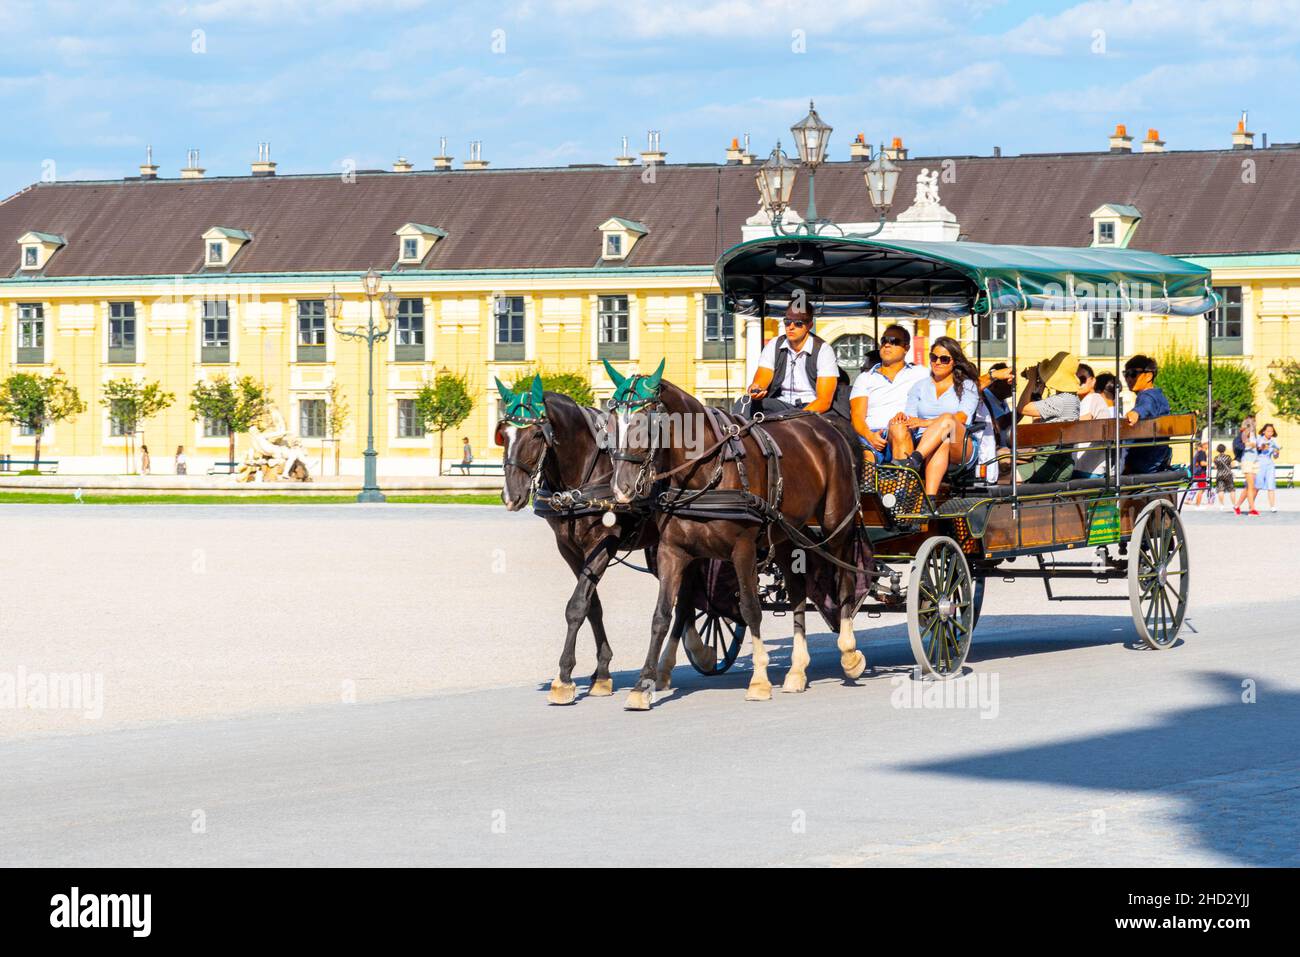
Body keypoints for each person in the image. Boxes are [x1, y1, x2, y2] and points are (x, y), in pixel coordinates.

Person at [895, 336, 980, 496]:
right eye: (933, 357)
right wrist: (903, 420)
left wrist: (926, 422)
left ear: (954, 361)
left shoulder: (967, 385)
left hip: (960, 440)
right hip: (929, 440)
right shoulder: (919, 386)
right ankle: (930, 500)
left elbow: (961, 418)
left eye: (944, 359)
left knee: (948, 419)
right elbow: (911, 419)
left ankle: (914, 460)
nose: (937, 362)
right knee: (942, 442)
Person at [849, 323, 929, 463]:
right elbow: (857, 417)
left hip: (904, 432)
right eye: (884, 341)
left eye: (894, 341)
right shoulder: (865, 378)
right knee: (866, 462)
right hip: (871, 435)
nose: (887, 345)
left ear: (906, 348)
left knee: (899, 429)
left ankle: (902, 484)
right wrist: (870, 436)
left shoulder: (921, 373)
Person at [745, 301, 841, 415]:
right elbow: (762, 378)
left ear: (809, 326)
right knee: (744, 403)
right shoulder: (775, 344)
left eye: (798, 323)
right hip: (781, 403)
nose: (791, 327)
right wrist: (756, 388)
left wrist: (795, 417)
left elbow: (824, 401)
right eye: (787, 321)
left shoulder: (823, 350)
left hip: (811, 405)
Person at [1121, 354, 1172, 474]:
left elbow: (1146, 407)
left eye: (1133, 373)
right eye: (1126, 374)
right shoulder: (1158, 395)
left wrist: (1136, 412)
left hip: (1145, 460)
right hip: (1158, 456)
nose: (1128, 378)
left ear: (1149, 376)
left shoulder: (1148, 395)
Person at [1073, 372, 1118, 479]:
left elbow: (1078, 425)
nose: (1078, 382)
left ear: (1093, 381)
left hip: (1084, 468)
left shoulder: (1092, 398)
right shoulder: (1093, 400)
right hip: (1094, 468)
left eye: (1082, 379)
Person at [1018, 351, 1081, 423]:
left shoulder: (1060, 401)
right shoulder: (1071, 398)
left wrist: (1032, 380)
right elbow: (1036, 421)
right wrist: (1040, 387)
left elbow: (1022, 408)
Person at [1233, 417, 1258, 515]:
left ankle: (1237, 506)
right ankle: (1252, 509)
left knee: (1251, 487)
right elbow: (1238, 445)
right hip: (1247, 462)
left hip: (1255, 461)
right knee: (1251, 486)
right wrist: (1249, 445)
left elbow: (1256, 447)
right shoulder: (1243, 434)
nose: (1253, 426)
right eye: (1252, 424)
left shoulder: (1253, 435)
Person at [1255, 423, 1281, 512]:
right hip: (1260, 463)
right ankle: (1252, 505)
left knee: (1271, 485)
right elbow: (1257, 449)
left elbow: (1275, 456)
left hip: (1269, 464)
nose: (1270, 433)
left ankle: (1273, 506)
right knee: (1257, 485)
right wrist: (1262, 447)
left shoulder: (1273, 442)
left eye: (1272, 431)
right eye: (1268, 431)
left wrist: (1277, 452)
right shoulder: (1259, 439)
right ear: (1263, 431)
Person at [1213, 443, 1235, 510]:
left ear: (1217, 450)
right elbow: (1232, 465)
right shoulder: (1228, 457)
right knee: (1231, 490)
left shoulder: (1216, 458)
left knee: (1220, 490)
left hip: (1219, 474)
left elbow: (1215, 467)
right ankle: (1234, 505)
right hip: (1228, 475)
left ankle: (1222, 505)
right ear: (1224, 449)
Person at [1191, 440, 1209, 507]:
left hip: (1199, 472)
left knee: (1202, 489)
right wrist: (1210, 463)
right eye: (1207, 444)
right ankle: (1198, 504)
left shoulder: (1200, 452)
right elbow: (1202, 463)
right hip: (1201, 473)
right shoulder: (1202, 453)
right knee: (1201, 489)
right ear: (1203, 445)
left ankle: (1197, 503)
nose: (1208, 445)